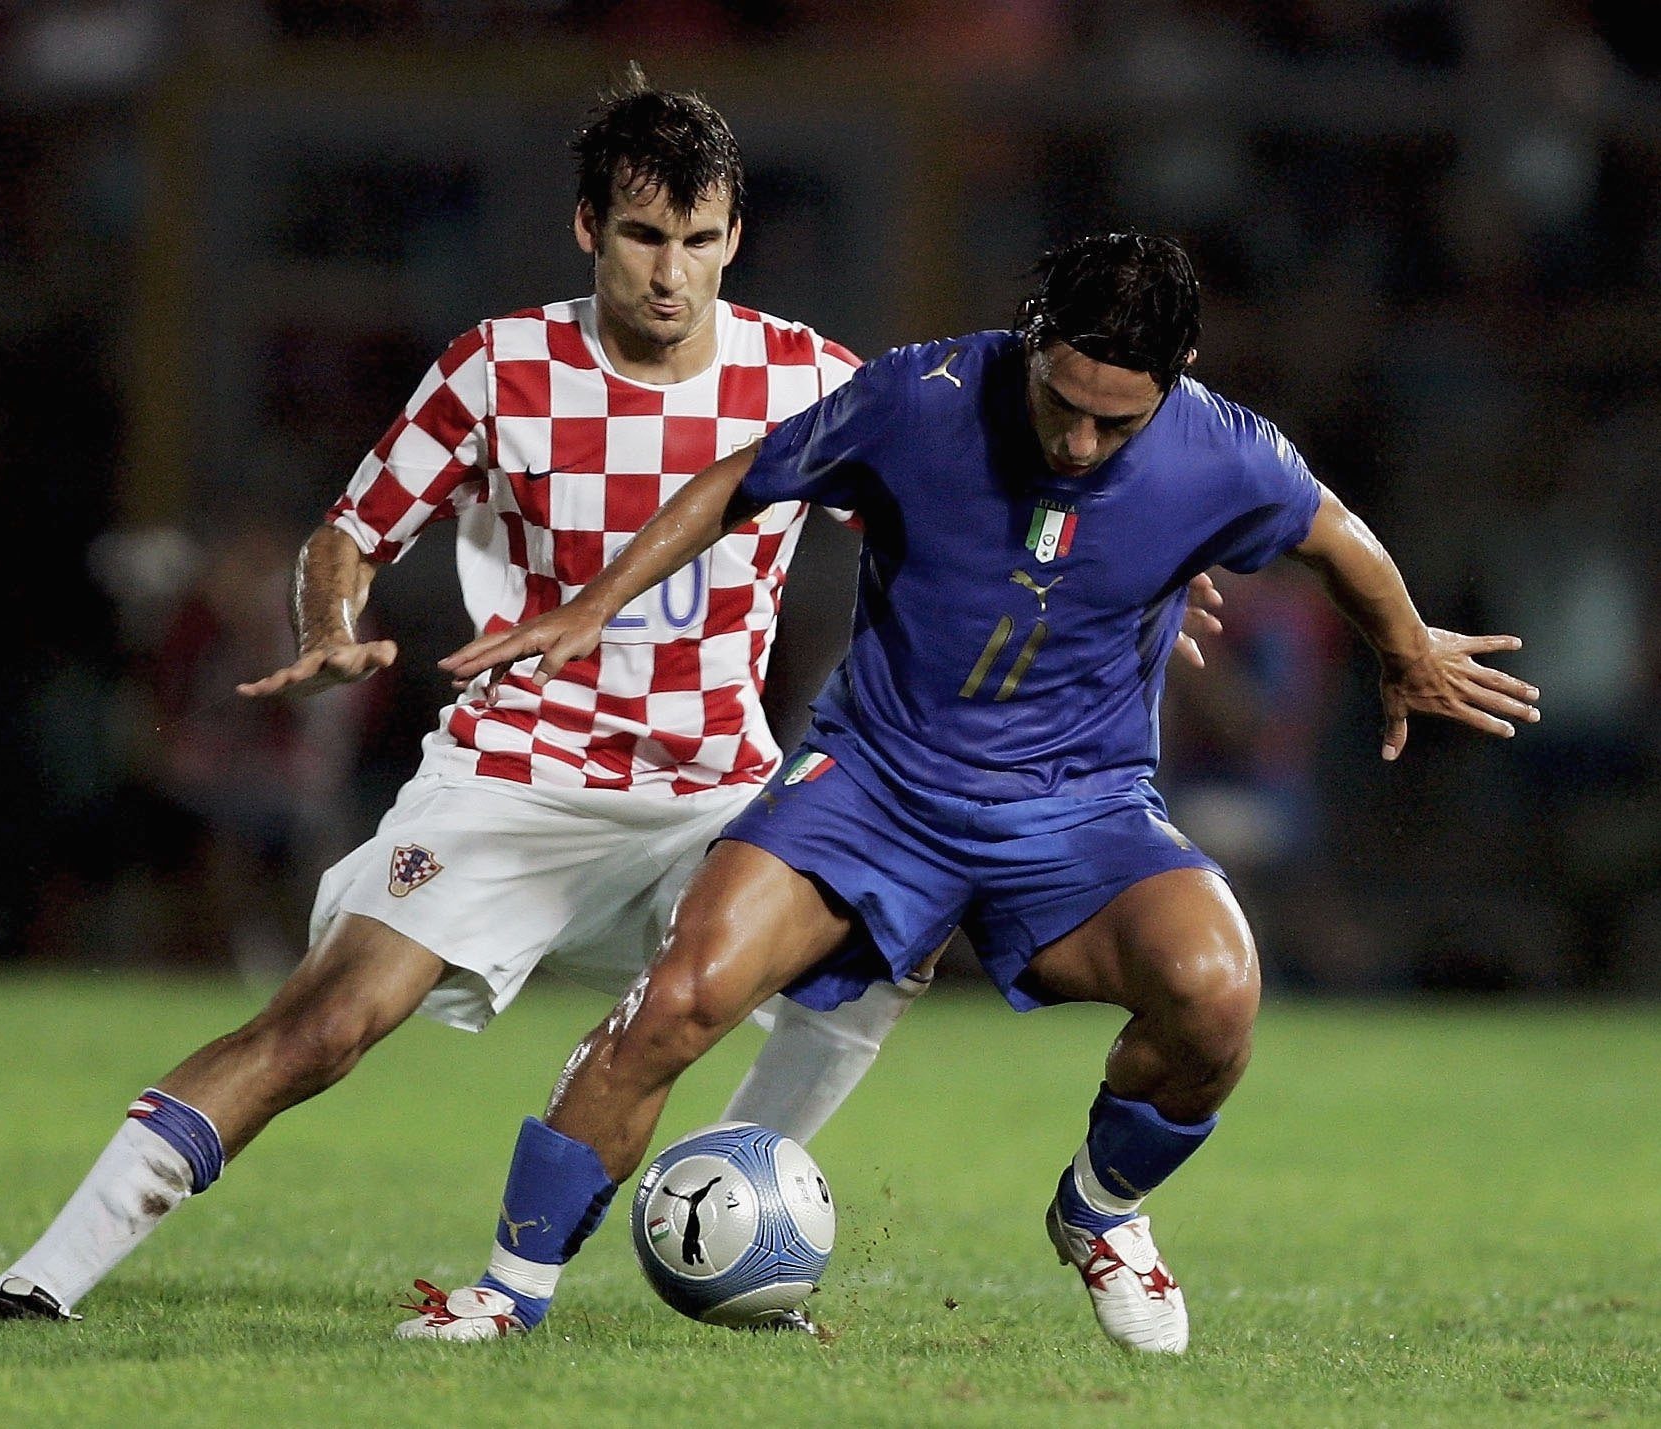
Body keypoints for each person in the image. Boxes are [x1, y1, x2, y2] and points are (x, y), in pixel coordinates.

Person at [426, 232, 1542, 1352]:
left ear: (1179, 376)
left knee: (1216, 991)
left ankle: (1100, 1209)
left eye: (1117, 423)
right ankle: (510, 1288)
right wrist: (596, 602)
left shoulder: (1222, 452)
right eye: (1065, 403)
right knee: (677, 998)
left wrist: (1403, 646)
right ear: (1031, 340)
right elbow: (742, 479)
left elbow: (1332, 532)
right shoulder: (921, 396)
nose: (1080, 441)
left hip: (1079, 805)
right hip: (874, 786)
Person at [0, 69, 925, 1327]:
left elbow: (935, 530)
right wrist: (331, 627)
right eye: (642, 236)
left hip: (711, 796)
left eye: (698, 241)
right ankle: (40, 1278)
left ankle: (728, 1198)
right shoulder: (499, 368)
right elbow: (350, 534)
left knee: (884, 940)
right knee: (328, 1023)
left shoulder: (804, 378)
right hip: (519, 773)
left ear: (734, 236)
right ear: (587, 227)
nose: (670, 274)